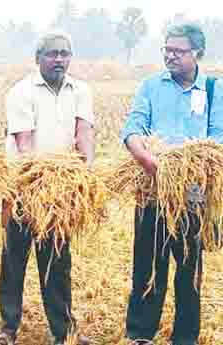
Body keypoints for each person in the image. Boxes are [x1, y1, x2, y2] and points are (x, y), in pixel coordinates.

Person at [120, 23, 223, 345]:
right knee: (148, 265)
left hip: (193, 196)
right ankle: (140, 334)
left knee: (189, 269)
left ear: (198, 54)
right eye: (167, 49)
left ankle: (185, 337)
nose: (170, 56)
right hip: (152, 191)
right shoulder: (150, 87)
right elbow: (133, 128)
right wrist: (145, 158)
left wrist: (193, 167)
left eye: (178, 51)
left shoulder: (213, 89)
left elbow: (218, 138)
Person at [0, 31, 94, 345]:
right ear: (38, 59)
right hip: (23, 185)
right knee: (14, 257)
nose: (59, 59)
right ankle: (8, 328)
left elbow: (85, 134)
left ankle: (62, 331)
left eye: (64, 53)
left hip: (61, 189)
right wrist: (40, 182)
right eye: (52, 54)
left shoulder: (81, 91)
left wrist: (84, 174)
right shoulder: (21, 92)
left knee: (57, 260)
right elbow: (24, 145)